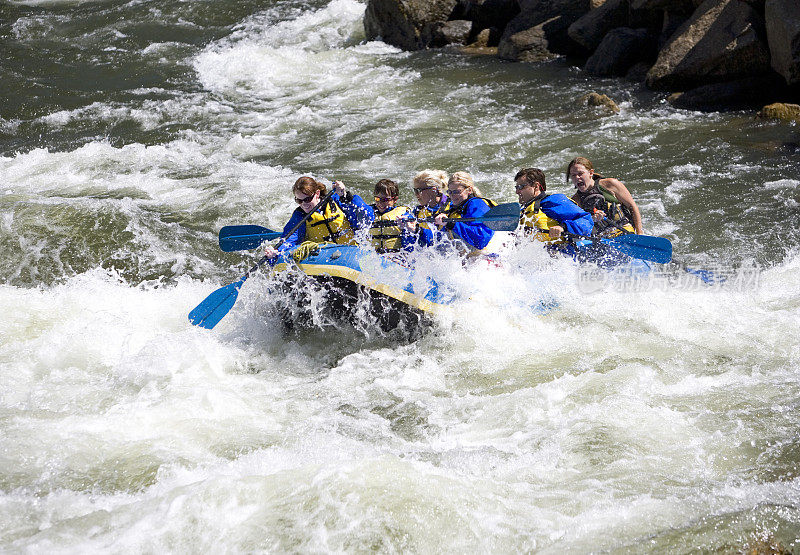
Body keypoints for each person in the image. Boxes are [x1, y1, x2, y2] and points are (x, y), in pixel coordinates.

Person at [264, 176, 374, 261]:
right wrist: (276, 253)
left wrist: (346, 196)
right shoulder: (300, 216)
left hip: (351, 254)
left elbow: (367, 216)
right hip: (323, 259)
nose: (304, 204)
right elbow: (290, 240)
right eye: (299, 201)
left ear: (317, 193)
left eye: (307, 199)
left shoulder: (337, 200)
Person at [566, 157, 643, 235]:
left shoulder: (611, 184)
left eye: (580, 173)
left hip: (624, 230)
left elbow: (632, 206)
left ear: (591, 173)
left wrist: (639, 233)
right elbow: (577, 224)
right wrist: (592, 218)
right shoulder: (575, 201)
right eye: (573, 175)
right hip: (603, 238)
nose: (577, 178)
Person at [514, 167, 594, 242]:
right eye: (516, 187)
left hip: (561, 253)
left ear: (536, 186)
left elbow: (586, 220)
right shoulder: (523, 212)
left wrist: (563, 227)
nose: (517, 192)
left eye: (521, 187)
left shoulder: (553, 201)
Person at [433, 171, 496, 255]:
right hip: (468, 260)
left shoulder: (476, 204)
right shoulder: (452, 209)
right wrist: (418, 230)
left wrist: (452, 224)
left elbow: (481, 240)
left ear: (469, 190)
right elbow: (438, 242)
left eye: (456, 192)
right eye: (450, 192)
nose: (452, 196)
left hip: (486, 257)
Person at [399, 169, 450, 249]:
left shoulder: (452, 208)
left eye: (419, 191)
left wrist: (418, 230)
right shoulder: (417, 211)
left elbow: (442, 242)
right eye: (415, 190)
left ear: (433, 190)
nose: (416, 195)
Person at [369, 179, 415, 253]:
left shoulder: (403, 214)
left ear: (395, 199)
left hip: (395, 258)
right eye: (377, 199)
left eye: (385, 199)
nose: (380, 203)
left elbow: (411, 244)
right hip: (374, 258)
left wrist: (409, 228)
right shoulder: (368, 212)